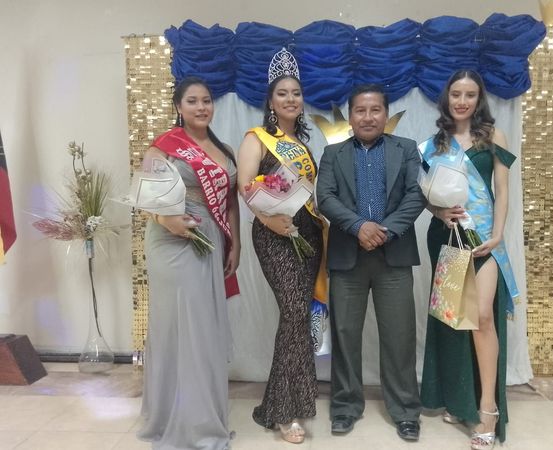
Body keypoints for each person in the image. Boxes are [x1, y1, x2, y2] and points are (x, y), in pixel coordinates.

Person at [316, 84, 426, 441]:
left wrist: (386, 230)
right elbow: (325, 197)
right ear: (350, 117)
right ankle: (345, 407)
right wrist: (358, 226)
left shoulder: (406, 149)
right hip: (348, 257)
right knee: (345, 335)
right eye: (360, 110)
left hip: (394, 256)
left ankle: (405, 411)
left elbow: (416, 194)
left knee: (399, 336)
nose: (367, 117)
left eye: (375, 109)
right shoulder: (333, 153)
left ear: (386, 114)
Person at [136, 76, 240, 450]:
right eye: (192, 101)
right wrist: (167, 221)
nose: (201, 107)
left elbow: (230, 201)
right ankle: (185, 424)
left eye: (206, 100)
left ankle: (202, 415)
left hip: (211, 241)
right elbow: (145, 198)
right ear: (179, 107)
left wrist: (236, 244)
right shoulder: (164, 147)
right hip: (173, 242)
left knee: (204, 329)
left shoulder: (224, 149)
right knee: (183, 329)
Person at [419, 69, 519, 450]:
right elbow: (425, 195)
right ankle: (460, 401)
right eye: (456, 94)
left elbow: (503, 190)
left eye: (470, 95)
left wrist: (498, 234)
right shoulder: (434, 145)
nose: (462, 101)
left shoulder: (493, 137)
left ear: (479, 99)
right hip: (447, 237)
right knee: (455, 320)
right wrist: (438, 212)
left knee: (481, 318)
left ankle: (487, 408)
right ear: (447, 98)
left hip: (484, 240)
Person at [237, 48, 323, 445]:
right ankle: (284, 413)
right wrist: (269, 219)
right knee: (293, 312)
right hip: (273, 233)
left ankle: (277, 406)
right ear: (271, 101)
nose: (291, 99)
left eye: (296, 93)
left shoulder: (302, 144)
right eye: (282, 93)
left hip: (306, 232)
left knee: (298, 318)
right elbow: (246, 186)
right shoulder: (256, 139)